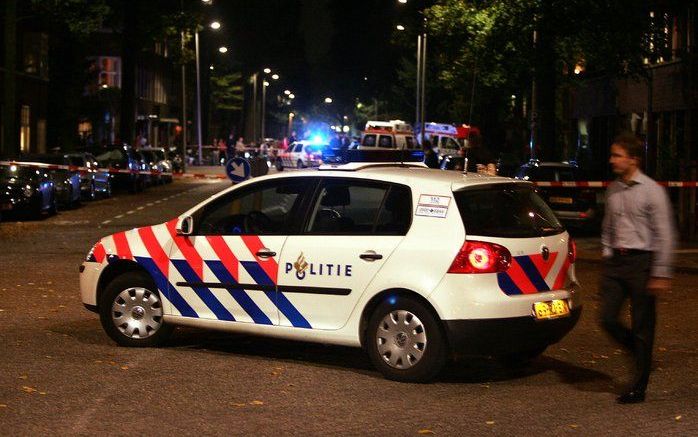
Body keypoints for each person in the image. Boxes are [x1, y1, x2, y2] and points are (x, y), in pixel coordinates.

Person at [600, 132, 676, 404]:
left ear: (633, 159)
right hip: (617, 263)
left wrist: (661, 272)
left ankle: (639, 386)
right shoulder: (613, 189)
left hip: (642, 262)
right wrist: (608, 252)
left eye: (617, 155)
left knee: (643, 325)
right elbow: (608, 224)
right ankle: (640, 351)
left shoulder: (652, 191)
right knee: (607, 318)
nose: (612, 160)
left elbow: (665, 233)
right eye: (612, 155)